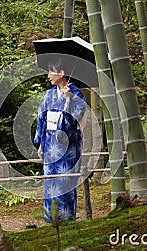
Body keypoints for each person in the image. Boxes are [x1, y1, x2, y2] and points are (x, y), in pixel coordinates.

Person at [34, 61, 86, 222]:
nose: (48, 75)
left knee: (65, 182)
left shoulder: (77, 94)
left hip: (68, 146)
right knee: (50, 181)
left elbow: (76, 118)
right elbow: (41, 118)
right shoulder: (49, 94)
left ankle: (67, 217)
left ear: (62, 73)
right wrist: (41, 143)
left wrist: (68, 99)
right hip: (50, 145)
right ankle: (51, 217)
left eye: (51, 72)